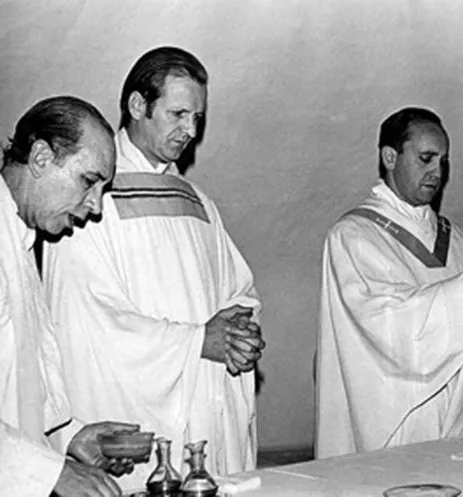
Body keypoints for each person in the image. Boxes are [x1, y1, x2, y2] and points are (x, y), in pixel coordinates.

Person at [42, 47, 265, 491]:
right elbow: (89, 320)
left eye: (197, 117)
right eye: (178, 114)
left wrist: (239, 333)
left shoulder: (198, 201)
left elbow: (238, 290)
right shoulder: (87, 196)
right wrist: (198, 341)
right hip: (139, 415)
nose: (191, 131)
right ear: (137, 105)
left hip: (204, 407)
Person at [316, 106, 463, 459]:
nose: (437, 172)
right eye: (426, 159)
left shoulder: (458, 241)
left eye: (443, 161)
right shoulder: (355, 236)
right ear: (390, 157)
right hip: (401, 430)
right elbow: (386, 330)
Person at [0, 96, 141, 496]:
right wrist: (53, 474)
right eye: (88, 181)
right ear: (41, 158)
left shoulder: (21, 243)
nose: (95, 206)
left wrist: (69, 438)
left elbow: (16, 393)